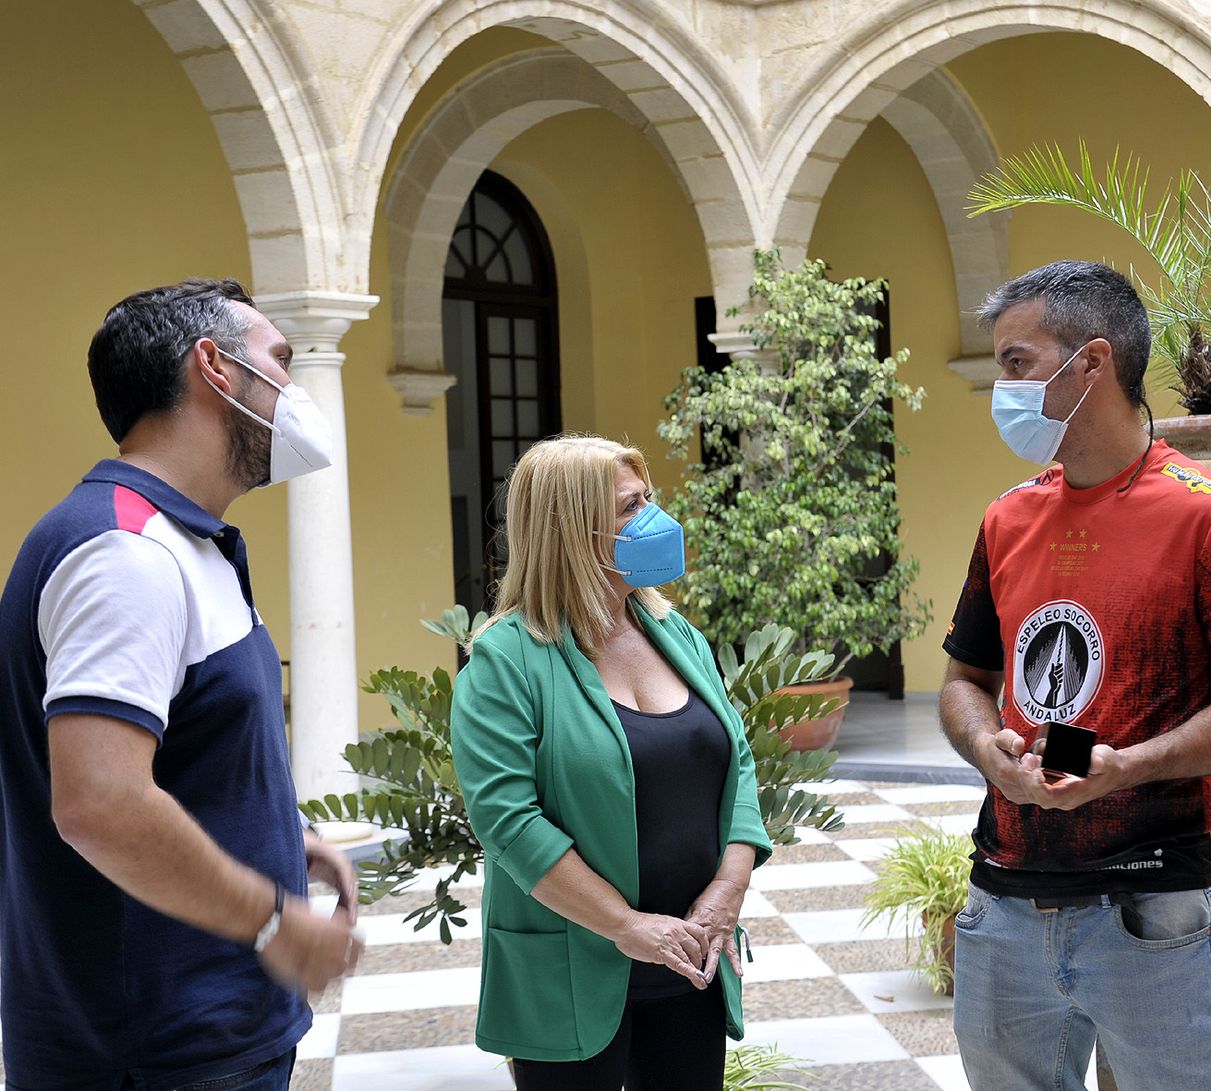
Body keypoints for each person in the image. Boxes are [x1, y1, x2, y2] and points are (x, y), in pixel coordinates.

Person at [938, 260, 1211, 1091]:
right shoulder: (1009, 515)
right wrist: (989, 749)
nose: (1004, 387)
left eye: (1018, 363)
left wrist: (1126, 767)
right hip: (1006, 906)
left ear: (1091, 362)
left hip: (1152, 914)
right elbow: (963, 677)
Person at [0, 279, 364, 1090]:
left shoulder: (183, 543)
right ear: (216, 367)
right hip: (154, 1053)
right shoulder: (123, 553)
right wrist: (273, 921)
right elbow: (101, 802)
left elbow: (185, 757)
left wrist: (274, 836)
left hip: (206, 1037)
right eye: (281, 359)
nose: (293, 387)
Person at [451, 434, 772, 1091]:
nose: (655, 516)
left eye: (648, 497)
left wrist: (727, 890)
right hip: (573, 966)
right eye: (631, 506)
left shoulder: (674, 632)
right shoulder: (504, 659)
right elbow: (510, 822)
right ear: (570, 527)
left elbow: (736, 757)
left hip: (690, 957)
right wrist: (627, 926)